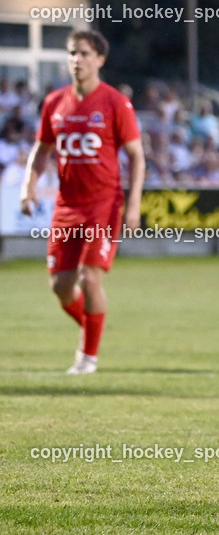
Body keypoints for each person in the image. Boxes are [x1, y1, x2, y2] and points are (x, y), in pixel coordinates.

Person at [19, 29, 145, 375]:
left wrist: (133, 206)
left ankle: (87, 357)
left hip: (104, 204)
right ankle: (93, 327)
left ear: (100, 60)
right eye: (73, 53)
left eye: (85, 54)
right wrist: (27, 186)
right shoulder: (54, 103)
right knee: (60, 286)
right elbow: (42, 150)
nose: (78, 60)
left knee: (90, 279)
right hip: (67, 206)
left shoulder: (115, 103)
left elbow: (136, 156)